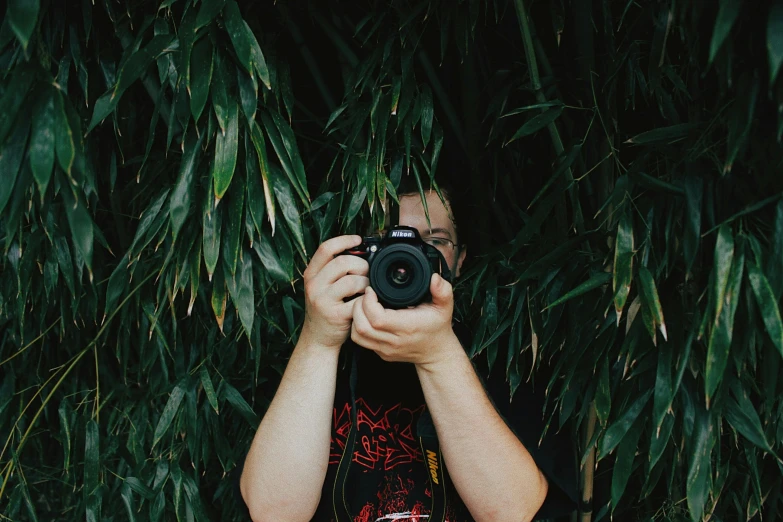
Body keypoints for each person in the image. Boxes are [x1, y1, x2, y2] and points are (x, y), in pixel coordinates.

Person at [238, 178, 577, 521]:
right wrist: (318, 340)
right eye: (388, 241)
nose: (406, 259)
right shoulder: (321, 358)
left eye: (434, 241)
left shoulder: (508, 357)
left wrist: (438, 355)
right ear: (360, 252)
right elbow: (272, 512)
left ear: (460, 259)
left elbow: (512, 512)